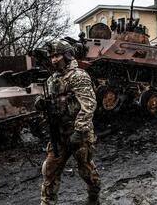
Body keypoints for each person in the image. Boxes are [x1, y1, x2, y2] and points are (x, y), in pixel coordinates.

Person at [37, 40, 101, 205]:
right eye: (51, 56)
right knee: (49, 172)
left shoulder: (78, 76)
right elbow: (52, 103)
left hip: (79, 134)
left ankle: (93, 198)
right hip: (59, 135)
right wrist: (42, 103)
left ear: (67, 55)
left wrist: (79, 131)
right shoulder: (52, 80)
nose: (53, 60)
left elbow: (89, 105)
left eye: (57, 55)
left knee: (86, 171)